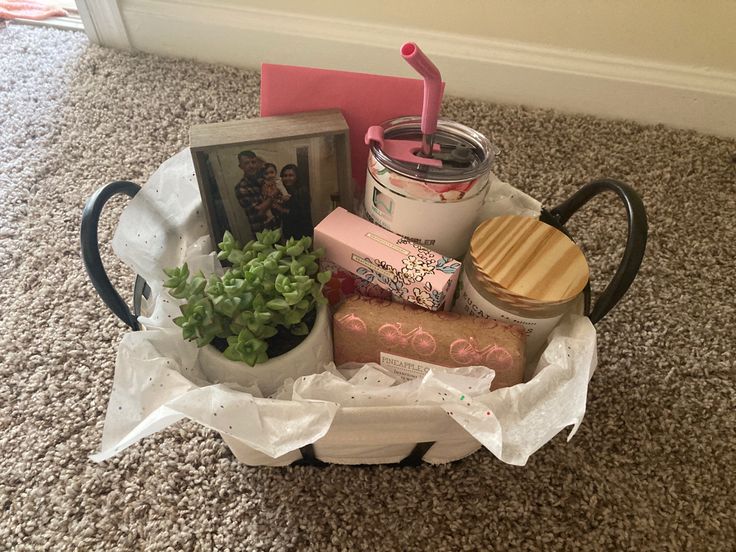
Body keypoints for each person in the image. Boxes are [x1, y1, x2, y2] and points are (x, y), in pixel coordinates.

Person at [234, 150, 279, 234]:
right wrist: (273, 195)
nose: (251, 166)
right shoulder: (241, 188)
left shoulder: (263, 180)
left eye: (253, 162)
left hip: (276, 226)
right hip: (261, 233)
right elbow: (259, 212)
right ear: (241, 166)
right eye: (246, 163)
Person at [280, 164, 314, 239]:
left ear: (297, 177)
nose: (287, 178)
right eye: (285, 176)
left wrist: (280, 209)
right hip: (289, 231)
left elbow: (299, 214)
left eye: (291, 175)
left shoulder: (302, 191)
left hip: (302, 232)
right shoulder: (283, 191)